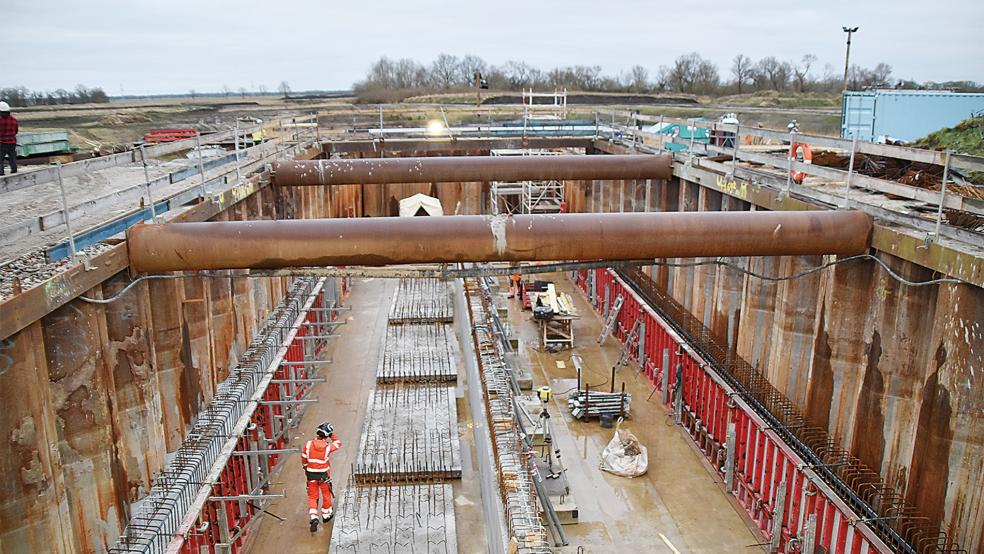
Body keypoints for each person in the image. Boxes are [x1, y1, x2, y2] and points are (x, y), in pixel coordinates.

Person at [301, 421, 341, 532]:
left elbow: (304, 458)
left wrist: (305, 467)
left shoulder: (308, 444)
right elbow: (338, 443)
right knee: (326, 494)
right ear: (326, 435)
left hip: (311, 474)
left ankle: (313, 517)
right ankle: (326, 515)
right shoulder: (327, 447)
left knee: (312, 496)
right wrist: (331, 434)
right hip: (324, 475)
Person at [0, 102, 17, 175]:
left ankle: (1, 173)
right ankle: (14, 171)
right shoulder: (13, 120)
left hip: (2, 142)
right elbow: (16, 131)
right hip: (12, 142)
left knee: (0, 159)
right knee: (12, 158)